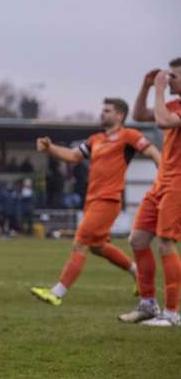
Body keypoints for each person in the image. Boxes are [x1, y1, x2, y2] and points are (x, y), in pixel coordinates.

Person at [30, 98, 161, 306]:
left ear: (120, 115)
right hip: (92, 200)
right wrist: (50, 148)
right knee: (97, 246)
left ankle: (57, 293)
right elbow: (73, 156)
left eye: (107, 111)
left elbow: (152, 151)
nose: (103, 114)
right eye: (103, 110)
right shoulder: (95, 139)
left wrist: (165, 175)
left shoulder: (129, 135)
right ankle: (136, 271)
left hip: (108, 200)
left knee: (81, 242)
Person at [119, 60, 181, 326]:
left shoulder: (172, 109)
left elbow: (163, 121)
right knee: (138, 239)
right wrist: (146, 87)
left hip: (178, 183)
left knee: (166, 243)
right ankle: (148, 305)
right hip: (161, 182)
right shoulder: (173, 104)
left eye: (174, 76)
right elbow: (140, 115)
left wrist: (158, 89)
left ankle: (172, 313)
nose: (169, 80)